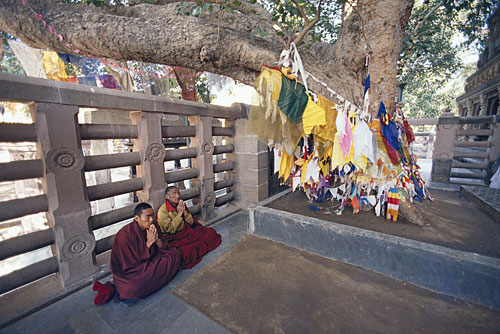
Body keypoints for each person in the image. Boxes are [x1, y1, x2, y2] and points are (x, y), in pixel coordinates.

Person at [110, 202, 182, 301]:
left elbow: (163, 247)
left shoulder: (153, 225)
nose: (151, 219)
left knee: (175, 254)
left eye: (152, 215)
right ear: (136, 218)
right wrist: (148, 243)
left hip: (152, 260)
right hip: (133, 269)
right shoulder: (124, 236)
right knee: (132, 287)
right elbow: (129, 263)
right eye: (147, 216)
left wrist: (156, 240)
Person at [157, 186, 222, 269]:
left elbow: (191, 223)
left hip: (187, 232)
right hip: (174, 237)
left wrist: (185, 213)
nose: (177, 196)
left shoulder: (181, 205)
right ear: (167, 197)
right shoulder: (162, 211)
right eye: (174, 194)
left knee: (211, 232)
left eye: (178, 193)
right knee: (187, 251)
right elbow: (170, 230)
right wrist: (179, 214)